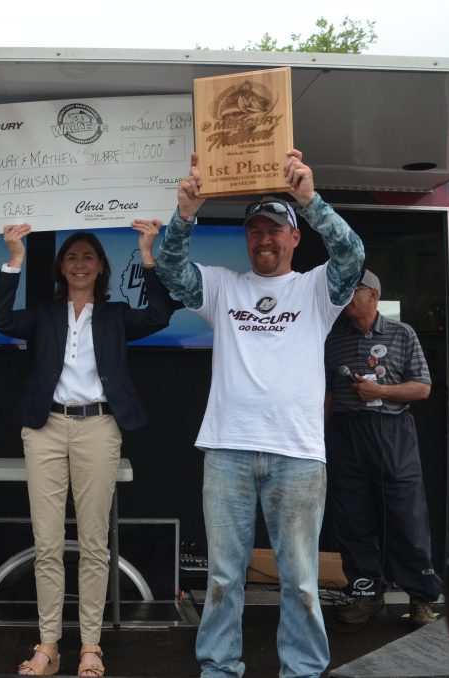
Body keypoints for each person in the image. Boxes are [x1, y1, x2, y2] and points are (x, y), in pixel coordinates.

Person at [156, 150, 365, 678]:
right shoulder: (224, 286)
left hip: (297, 454)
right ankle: (219, 669)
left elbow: (352, 255)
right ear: (246, 239)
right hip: (228, 449)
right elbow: (172, 271)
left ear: (295, 237)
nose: (264, 239)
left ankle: (303, 671)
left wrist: (310, 200)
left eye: (275, 230)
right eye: (256, 231)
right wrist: (185, 212)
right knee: (223, 577)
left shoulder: (317, 289)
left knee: (300, 581)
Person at [0, 221, 175, 677]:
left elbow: (159, 314)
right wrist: (14, 259)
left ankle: (91, 645)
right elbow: (1, 320)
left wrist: (147, 254)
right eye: (71, 257)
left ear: (101, 267)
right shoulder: (45, 313)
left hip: (99, 427)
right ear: (61, 267)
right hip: (46, 428)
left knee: (93, 542)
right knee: (47, 542)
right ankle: (48, 646)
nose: (79, 264)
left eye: (88, 257)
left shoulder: (115, 315)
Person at [324, 269, 441, 626]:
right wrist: (319, 436)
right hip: (347, 432)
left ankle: (420, 598)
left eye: (352, 290)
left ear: (373, 295)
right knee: (353, 517)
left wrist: (382, 391)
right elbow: (327, 394)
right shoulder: (333, 338)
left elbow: (422, 387)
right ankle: (366, 595)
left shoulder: (401, 333)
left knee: (407, 516)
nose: (344, 296)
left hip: (392, 431)